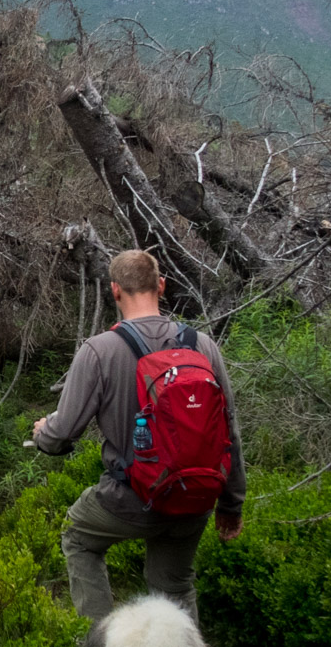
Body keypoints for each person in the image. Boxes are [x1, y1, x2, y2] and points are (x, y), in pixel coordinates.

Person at [30, 249, 245, 621]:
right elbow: (230, 432)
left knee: (78, 538)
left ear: (114, 291)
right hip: (195, 497)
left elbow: (62, 433)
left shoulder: (99, 351)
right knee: (174, 584)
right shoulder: (202, 345)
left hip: (129, 501)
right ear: (161, 286)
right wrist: (231, 505)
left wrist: (43, 434)